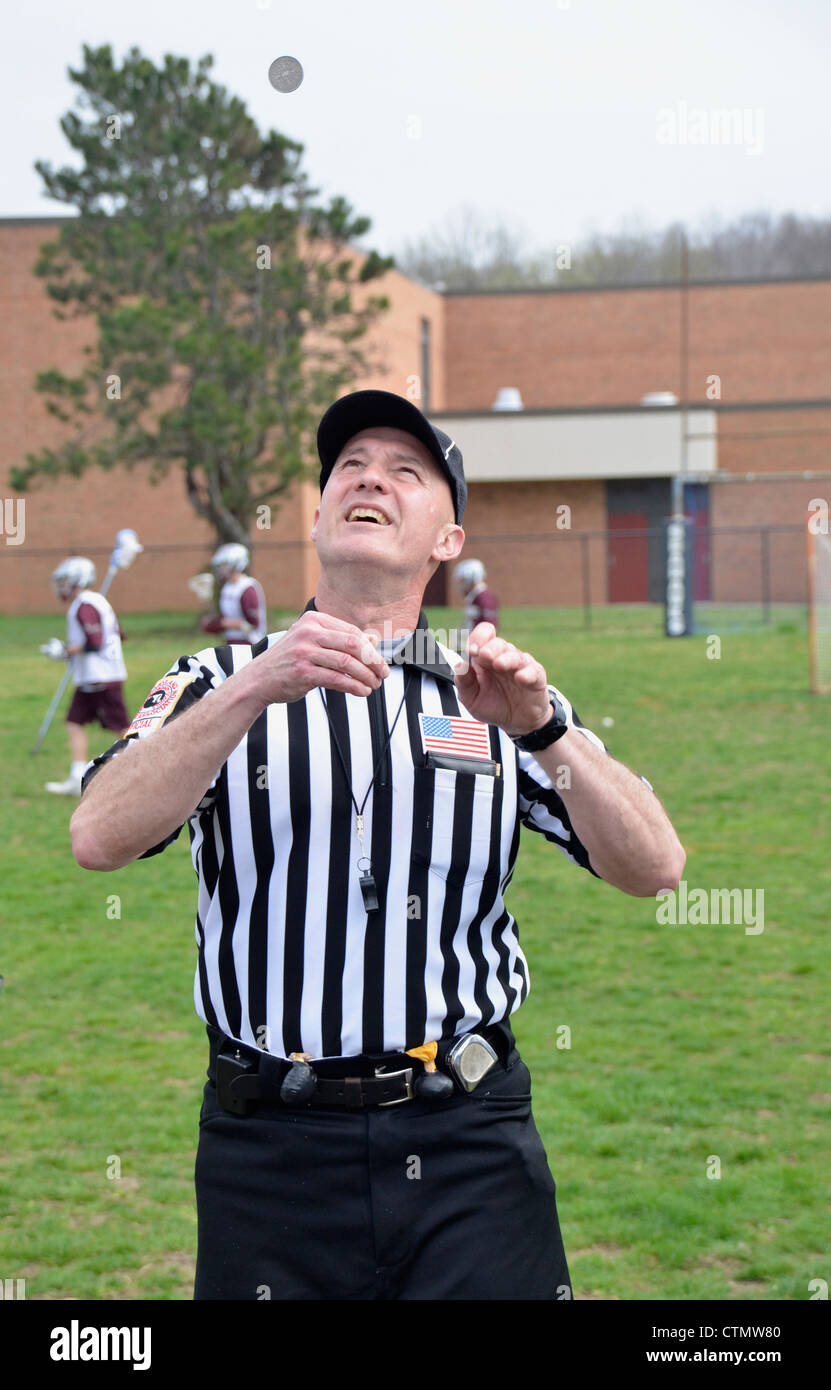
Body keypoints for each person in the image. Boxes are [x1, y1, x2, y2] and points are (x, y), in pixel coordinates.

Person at [69, 388, 685, 1301]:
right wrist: (249, 693)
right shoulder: (218, 678)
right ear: (318, 516)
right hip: (271, 1147)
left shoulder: (493, 693)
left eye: (407, 471)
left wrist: (547, 733)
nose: (370, 479)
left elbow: (654, 867)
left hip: (467, 1137)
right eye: (350, 466)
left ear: (449, 540)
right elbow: (98, 836)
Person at [40, 556, 129, 796]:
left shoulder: (84, 605)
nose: (62, 586)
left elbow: (95, 642)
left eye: (66, 581)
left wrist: (65, 650)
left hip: (99, 677)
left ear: (78, 579)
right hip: (94, 677)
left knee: (122, 729)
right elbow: (119, 634)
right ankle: (76, 777)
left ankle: (149, 767)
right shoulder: (97, 601)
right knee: (74, 722)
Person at [198, 543, 266, 645]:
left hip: (250, 643)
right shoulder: (227, 587)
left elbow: (253, 624)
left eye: (224, 565)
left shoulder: (247, 587)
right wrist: (213, 623)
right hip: (231, 641)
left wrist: (226, 624)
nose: (221, 569)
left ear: (235, 564)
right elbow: (225, 616)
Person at [454, 557, 500, 632]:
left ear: (471, 578)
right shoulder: (474, 596)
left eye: (463, 580)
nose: (462, 585)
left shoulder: (484, 598)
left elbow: (490, 625)